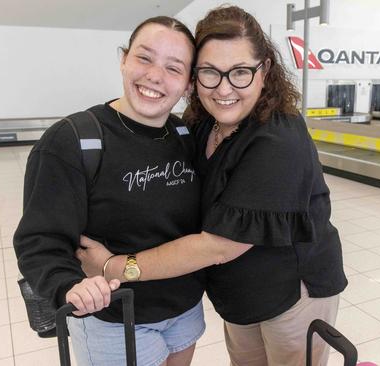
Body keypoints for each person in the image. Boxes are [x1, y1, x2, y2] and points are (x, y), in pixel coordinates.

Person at [77, 6, 347, 366]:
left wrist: (114, 266)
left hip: (292, 293)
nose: (223, 89)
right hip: (240, 295)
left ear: (264, 70)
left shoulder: (277, 138)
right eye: (209, 73)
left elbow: (219, 246)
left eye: (239, 73)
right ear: (193, 76)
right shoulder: (202, 123)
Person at [13, 17, 206, 366]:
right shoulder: (73, 140)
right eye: (144, 58)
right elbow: (38, 240)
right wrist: (68, 285)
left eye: (174, 68)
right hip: (115, 317)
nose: (155, 76)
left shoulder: (184, 137)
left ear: (189, 84)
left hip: (185, 308)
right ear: (124, 59)